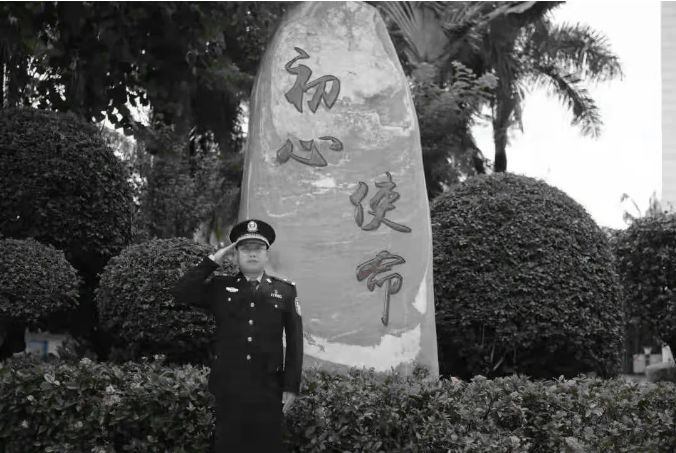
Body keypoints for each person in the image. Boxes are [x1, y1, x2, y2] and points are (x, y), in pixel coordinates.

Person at [171, 219, 303, 453]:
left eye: (258, 248)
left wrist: (291, 386)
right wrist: (213, 260)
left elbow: (295, 342)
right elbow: (182, 291)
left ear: (267, 254)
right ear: (235, 255)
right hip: (229, 389)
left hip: (269, 390)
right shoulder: (220, 287)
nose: (252, 253)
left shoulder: (285, 291)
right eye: (245, 248)